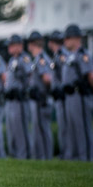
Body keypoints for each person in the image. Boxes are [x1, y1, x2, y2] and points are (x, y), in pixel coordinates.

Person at [60, 24, 93, 161]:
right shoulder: (69, 57)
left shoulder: (83, 55)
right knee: (72, 129)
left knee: (83, 129)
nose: (65, 41)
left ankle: (87, 158)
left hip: (80, 95)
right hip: (70, 96)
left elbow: (90, 76)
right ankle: (77, 157)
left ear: (76, 38)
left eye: (68, 38)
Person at [26, 31, 54, 160]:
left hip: (42, 99)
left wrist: (43, 92)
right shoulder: (37, 58)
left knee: (43, 129)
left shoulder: (41, 58)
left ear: (32, 44)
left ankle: (46, 156)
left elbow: (47, 79)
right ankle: (41, 156)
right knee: (38, 129)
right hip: (38, 99)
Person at [4, 34, 32, 159]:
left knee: (21, 129)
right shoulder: (12, 60)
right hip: (10, 99)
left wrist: (24, 89)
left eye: (12, 45)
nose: (9, 47)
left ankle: (24, 154)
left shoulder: (24, 58)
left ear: (19, 45)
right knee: (13, 128)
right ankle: (15, 153)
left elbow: (30, 76)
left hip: (20, 99)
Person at [48, 30, 70, 159]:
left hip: (65, 95)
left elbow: (65, 75)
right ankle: (66, 153)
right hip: (60, 95)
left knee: (67, 126)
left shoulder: (62, 55)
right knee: (64, 126)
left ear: (51, 43)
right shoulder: (58, 55)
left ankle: (69, 153)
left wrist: (60, 87)